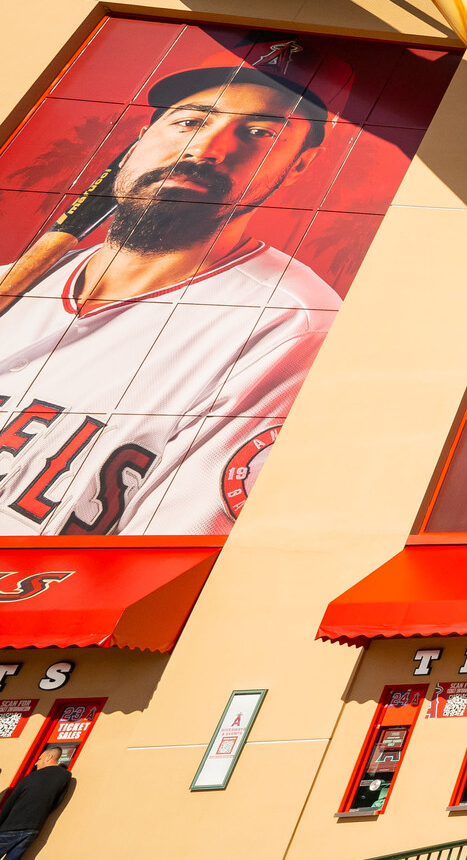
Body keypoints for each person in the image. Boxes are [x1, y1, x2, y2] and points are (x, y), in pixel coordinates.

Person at [0, 62, 342, 534]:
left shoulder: (292, 328)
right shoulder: (9, 283)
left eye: (260, 132)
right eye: (190, 122)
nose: (207, 149)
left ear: (298, 166)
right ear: (140, 139)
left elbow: (165, 559)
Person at [0, 744, 73, 860]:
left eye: (39, 759)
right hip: (33, 830)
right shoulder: (65, 777)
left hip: (10, 828)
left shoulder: (30, 778)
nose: (35, 763)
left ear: (49, 757)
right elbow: (56, 803)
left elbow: (9, 804)